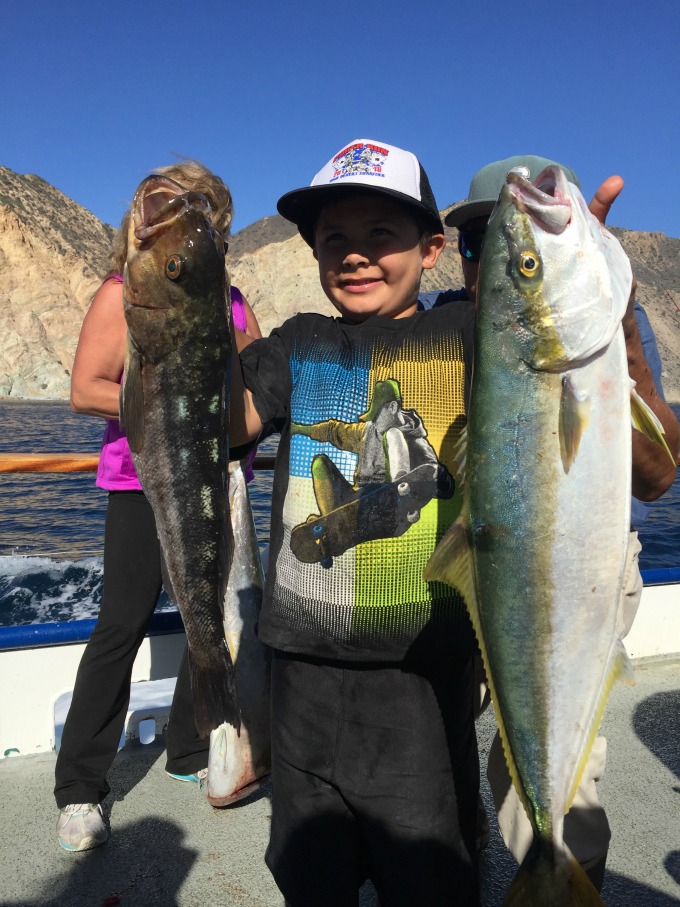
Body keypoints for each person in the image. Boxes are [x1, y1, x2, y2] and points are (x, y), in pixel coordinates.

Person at [229, 138, 480, 906]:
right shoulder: (297, 343)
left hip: (422, 681)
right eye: (334, 237)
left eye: (381, 234)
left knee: (429, 879)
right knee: (312, 878)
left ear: (432, 247)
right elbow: (227, 421)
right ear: (313, 252)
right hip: (300, 681)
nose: (356, 254)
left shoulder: (470, 334)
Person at [423, 154, 680, 890]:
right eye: (478, 242)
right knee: (433, 730)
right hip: (470, 564)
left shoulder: (607, 322)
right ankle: (463, 845)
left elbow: (658, 478)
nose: (489, 260)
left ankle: (562, 868)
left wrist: (617, 325)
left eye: (518, 255)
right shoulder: (437, 323)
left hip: (578, 575)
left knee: (557, 771)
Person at [55, 160, 262, 853]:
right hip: (140, 481)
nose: (171, 209)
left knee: (211, 614)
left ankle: (188, 746)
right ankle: (80, 785)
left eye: (194, 204)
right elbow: (85, 386)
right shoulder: (124, 292)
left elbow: (252, 389)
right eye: (158, 199)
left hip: (219, 480)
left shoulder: (233, 302)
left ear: (217, 226)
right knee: (122, 623)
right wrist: (167, 404)